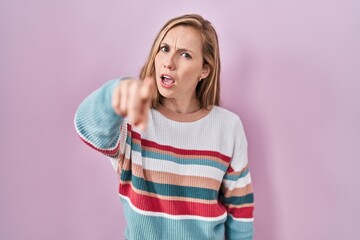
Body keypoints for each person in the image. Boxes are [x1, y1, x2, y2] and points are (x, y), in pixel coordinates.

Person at [74, 14, 254, 240]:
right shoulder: (133, 120)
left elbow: (240, 211)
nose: (169, 62)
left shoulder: (228, 127)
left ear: (204, 70)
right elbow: (86, 126)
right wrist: (115, 94)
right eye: (164, 48)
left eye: (185, 54)